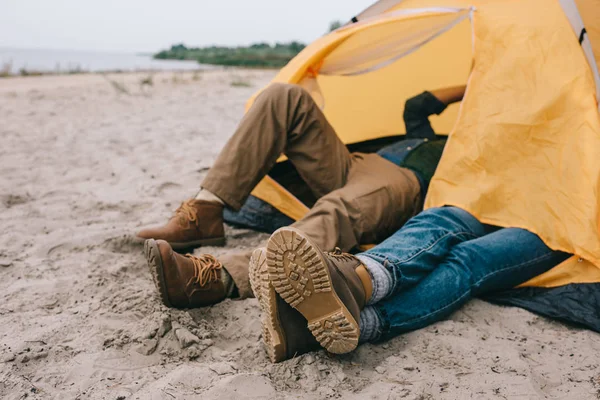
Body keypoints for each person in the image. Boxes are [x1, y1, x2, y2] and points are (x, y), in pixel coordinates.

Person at [141, 83, 466, 309]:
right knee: (285, 97)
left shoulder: (477, 149)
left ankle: (220, 279)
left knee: (339, 207)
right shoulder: (427, 132)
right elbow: (417, 105)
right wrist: (475, 85)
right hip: (357, 163)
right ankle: (205, 211)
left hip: (404, 184)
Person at [249, 209, 570, 362]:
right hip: (490, 198)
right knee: (443, 218)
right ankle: (355, 287)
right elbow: (417, 108)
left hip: (563, 221)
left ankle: (352, 302)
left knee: (468, 258)